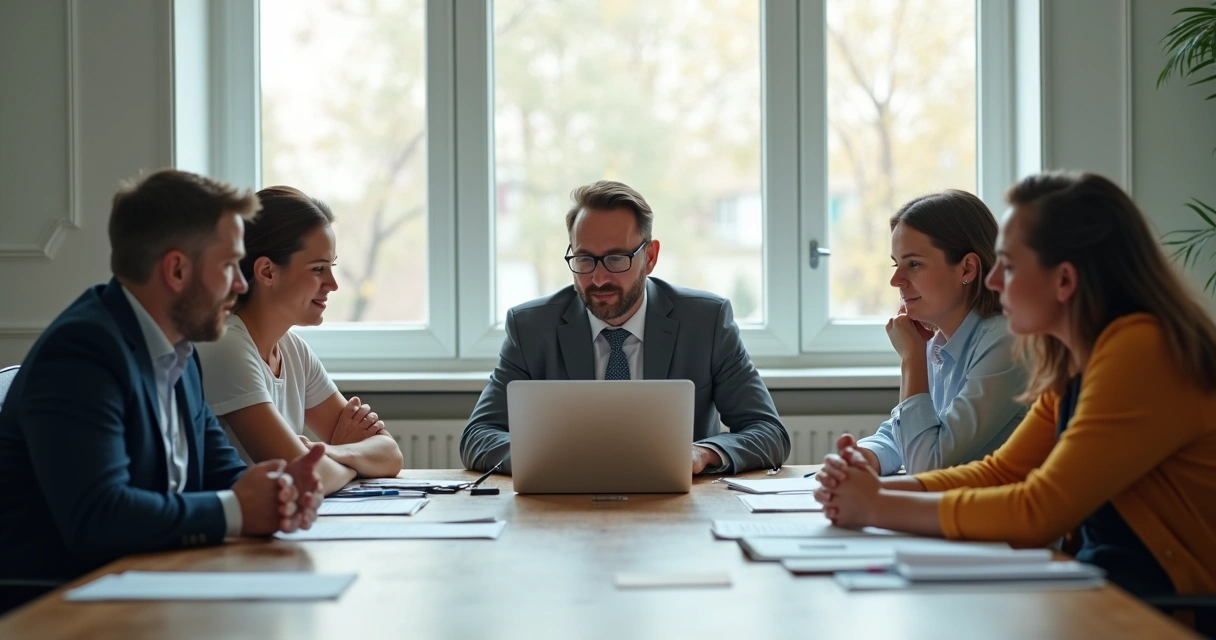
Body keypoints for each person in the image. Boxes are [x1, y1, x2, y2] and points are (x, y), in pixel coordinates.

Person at [815, 171, 1216, 597]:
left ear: (1063, 280)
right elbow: (1002, 470)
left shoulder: (1140, 349)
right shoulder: (1073, 357)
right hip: (1107, 587)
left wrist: (877, 504)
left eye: (1008, 265)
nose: (992, 281)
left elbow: (1039, 508)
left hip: (1169, 607)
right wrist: (875, 491)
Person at [0, 169, 325, 601]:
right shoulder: (82, 353)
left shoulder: (180, 353)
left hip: (147, 584)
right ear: (176, 270)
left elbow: (222, 473)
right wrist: (240, 508)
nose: (242, 284)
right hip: (60, 605)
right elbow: (99, 518)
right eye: (230, 266)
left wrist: (279, 490)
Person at [461, 180, 790, 475]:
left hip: (678, 511)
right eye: (584, 259)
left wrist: (703, 453)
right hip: (565, 507)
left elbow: (769, 432)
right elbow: (478, 437)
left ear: (650, 256)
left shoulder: (706, 322)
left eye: (617, 258)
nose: (599, 278)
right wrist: (556, 457)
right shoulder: (531, 328)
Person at [196, 186, 403, 495]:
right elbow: (310, 478)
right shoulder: (228, 347)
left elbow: (390, 455)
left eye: (331, 267)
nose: (333, 284)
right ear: (267, 271)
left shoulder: (292, 350)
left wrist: (332, 452)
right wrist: (345, 456)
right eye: (318, 269)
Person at [855, 190, 1027, 475]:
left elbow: (927, 464)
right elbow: (908, 434)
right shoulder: (940, 344)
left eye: (914, 264)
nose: (895, 280)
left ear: (967, 268)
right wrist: (862, 456)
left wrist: (912, 359)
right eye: (896, 264)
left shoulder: (1005, 343)